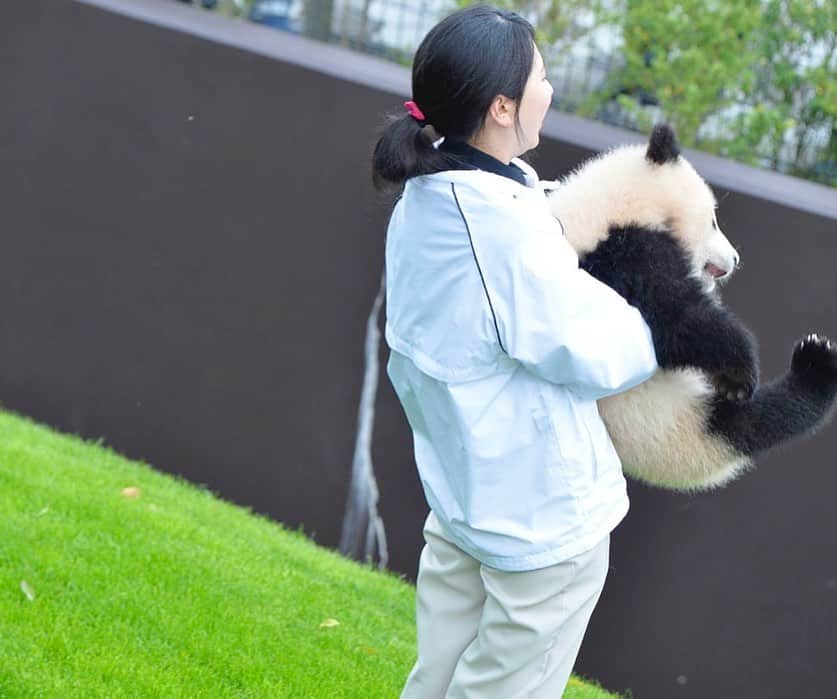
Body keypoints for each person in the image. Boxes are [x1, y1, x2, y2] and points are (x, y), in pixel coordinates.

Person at [370, 5, 659, 697]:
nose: (550, 89)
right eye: (540, 76)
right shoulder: (497, 231)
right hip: (538, 523)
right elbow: (596, 349)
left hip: (466, 498)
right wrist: (660, 320)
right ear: (502, 106)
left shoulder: (430, 196)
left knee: (437, 677)